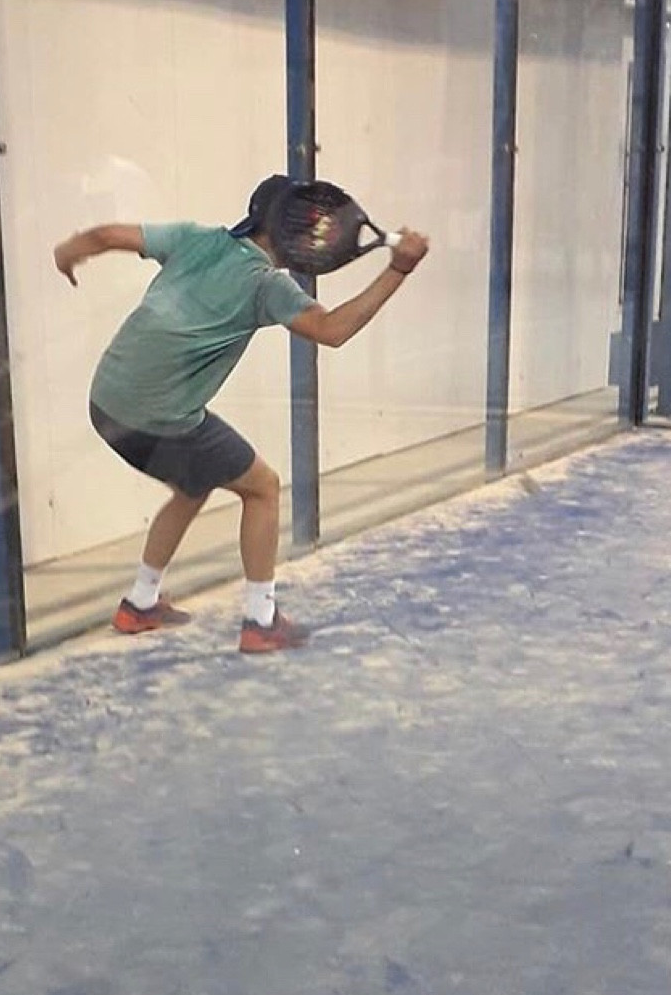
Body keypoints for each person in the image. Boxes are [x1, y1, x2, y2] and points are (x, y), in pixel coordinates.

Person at [52, 175, 430, 652]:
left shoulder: (196, 238)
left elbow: (107, 235)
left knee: (194, 484)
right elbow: (333, 330)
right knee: (263, 487)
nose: (319, 233)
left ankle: (140, 604)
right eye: (309, 224)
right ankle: (261, 620)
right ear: (285, 228)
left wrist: (68, 251)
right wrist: (399, 269)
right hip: (158, 420)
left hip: (106, 401)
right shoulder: (266, 285)